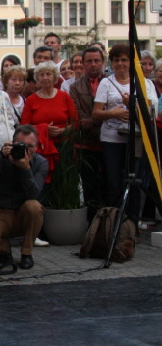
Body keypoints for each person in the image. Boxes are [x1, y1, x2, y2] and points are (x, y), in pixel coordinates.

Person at [92, 43, 157, 223]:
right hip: (111, 139)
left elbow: (152, 112)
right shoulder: (106, 83)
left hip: (136, 139)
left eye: (124, 60)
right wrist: (113, 114)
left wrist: (133, 105)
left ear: (131, 62)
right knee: (114, 182)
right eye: (116, 60)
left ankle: (132, 224)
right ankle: (113, 222)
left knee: (134, 182)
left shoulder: (145, 83)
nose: (120, 63)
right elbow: (96, 113)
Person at [0, 124, 49, 273]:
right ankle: (4, 251)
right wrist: (2, 157)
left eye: (30, 146)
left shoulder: (40, 163)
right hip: (0, 213)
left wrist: (26, 169)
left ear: (36, 147)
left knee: (34, 206)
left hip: (23, 214)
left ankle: (27, 253)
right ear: (13, 144)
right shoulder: (3, 156)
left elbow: (35, 193)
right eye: (21, 146)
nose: (26, 150)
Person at [21, 60, 78, 184]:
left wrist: (62, 131)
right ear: (37, 78)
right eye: (41, 75)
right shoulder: (31, 100)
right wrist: (44, 129)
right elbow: (24, 127)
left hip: (64, 147)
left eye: (48, 74)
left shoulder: (65, 97)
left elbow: (75, 123)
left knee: (64, 183)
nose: (45, 77)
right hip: (40, 149)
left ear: (55, 77)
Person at [69, 45, 107, 220]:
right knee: (89, 185)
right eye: (89, 61)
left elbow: (114, 109)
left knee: (109, 183)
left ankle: (110, 221)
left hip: (109, 142)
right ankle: (92, 223)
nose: (93, 64)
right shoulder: (75, 87)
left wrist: (95, 119)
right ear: (83, 63)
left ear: (103, 62)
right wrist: (99, 118)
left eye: (97, 60)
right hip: (87, 143)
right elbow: (78, 114)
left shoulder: (111, 83)